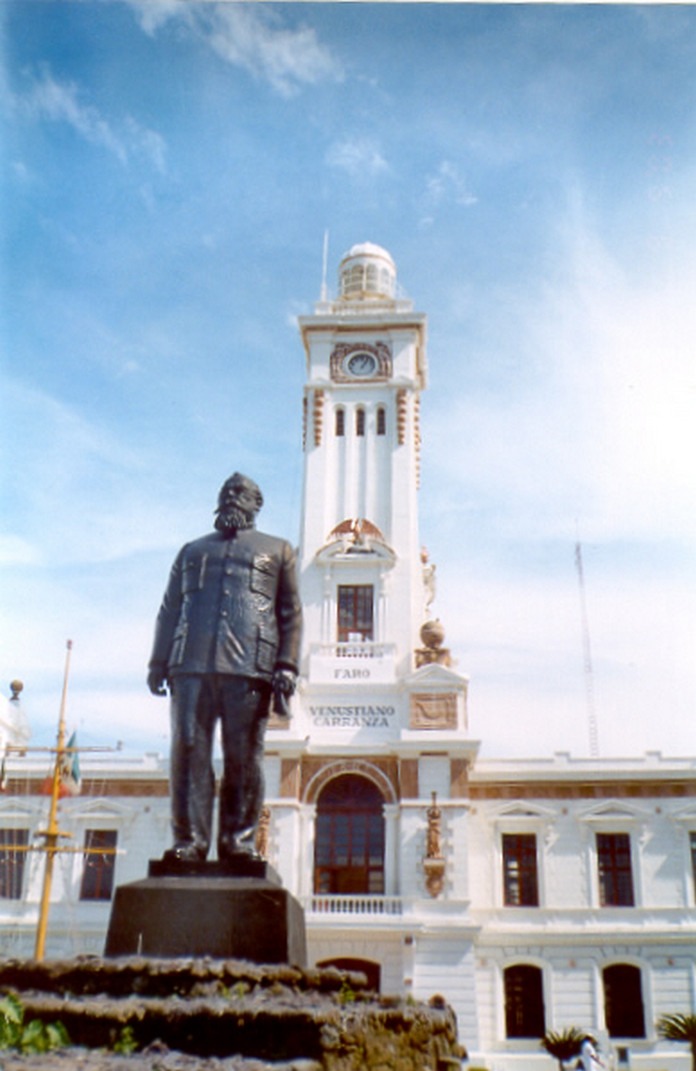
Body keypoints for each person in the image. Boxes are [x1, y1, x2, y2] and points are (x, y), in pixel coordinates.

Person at [147, 473, 302, 863]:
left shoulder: (278, 550)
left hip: (251, 667)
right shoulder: (192, 551)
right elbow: (169, 609)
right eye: (226, 492)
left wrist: (287, 664)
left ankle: (239, 841)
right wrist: (158, 660)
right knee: (187, 750)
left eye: (241, 494)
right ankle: (191, 841)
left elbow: (290, 613)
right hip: (191, 666)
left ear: (256, 504)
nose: (232, 498)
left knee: (244, 756)